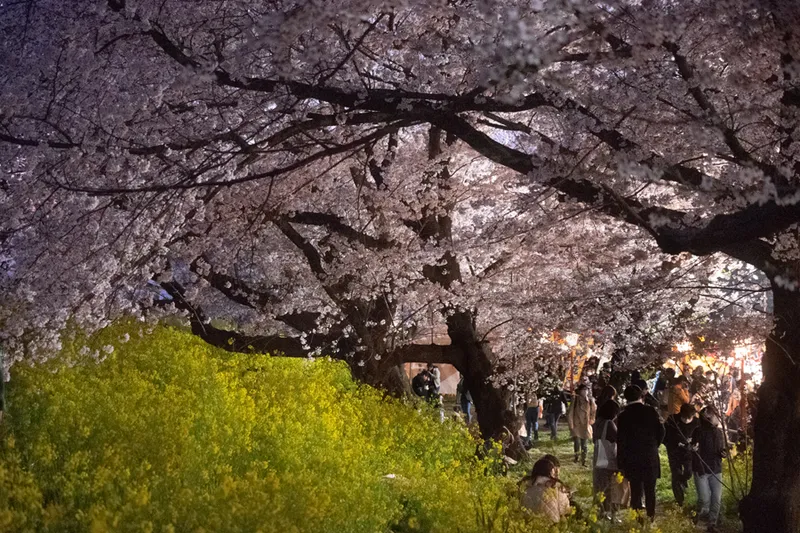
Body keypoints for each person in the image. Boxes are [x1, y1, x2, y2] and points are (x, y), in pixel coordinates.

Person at [617, 385, 665, 521]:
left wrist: (620, 461)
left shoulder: (623, 416)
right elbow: (662, 431)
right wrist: (655, 444)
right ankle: (651, 515)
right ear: (641, 396)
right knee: (650, 489)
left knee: (636, 489)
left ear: (626, 399)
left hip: (631, 457)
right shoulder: (651, 411)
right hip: (650, 455)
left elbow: (620, 441)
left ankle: (638, 517)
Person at [691, 407, 725, 532]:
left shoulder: (718, 432)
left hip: (716, 469)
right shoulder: (698, 431)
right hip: (701, 469)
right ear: (709, 418)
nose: (717, 418)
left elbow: (720, 450)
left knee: (716, 499)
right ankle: (696, 516)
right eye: (715, 415)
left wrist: (723, 453)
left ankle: (712, 524)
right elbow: (694, 449)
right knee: (704, 499)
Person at [664, 403, 699, 506]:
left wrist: (695, 444)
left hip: (688, 451)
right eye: (685, 418)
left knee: (688, 472)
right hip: (674, 451)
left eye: (690, 418)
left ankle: (683, 481)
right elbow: (665, 436)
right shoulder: (672, 420)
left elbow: (698, 435)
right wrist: (675, 442)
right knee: (676, 473)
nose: (687, 420)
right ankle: (680, 500)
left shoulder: (696, 422)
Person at [520, 457, 571, 523]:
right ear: (550, 473)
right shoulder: (557, 488)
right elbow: (565, 511)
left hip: (526, 527)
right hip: (552, 527)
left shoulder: (524, 487)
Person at [592, 398, 620, 513]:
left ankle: (600, 510)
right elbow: (616, 439)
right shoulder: (609, 424)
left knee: (599, 486)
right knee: (610, 487)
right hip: (608, 460)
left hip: (598, 457)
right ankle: (608, 511)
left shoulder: (598, 422)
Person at [567, 383, 596, 465]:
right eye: (583, 390)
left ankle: (584, 459)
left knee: (585, 443)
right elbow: (570, 412)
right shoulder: (575, 400)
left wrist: (592, 419)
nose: (585, 392)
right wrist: (571, 424)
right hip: (577, 423)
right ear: (579, 391)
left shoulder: (590, 400)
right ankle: (576, 457)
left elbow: (593, 412)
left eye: (586, 390)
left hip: (586, 424)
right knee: (577, 442)